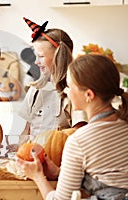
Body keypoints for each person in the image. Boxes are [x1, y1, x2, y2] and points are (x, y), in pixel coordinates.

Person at [16, 54, 128, 200]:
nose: (65, 91)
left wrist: (37, 176)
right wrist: (60, 172)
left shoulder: (79, 141)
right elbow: (112, 177)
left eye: (69, 87)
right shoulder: (127, 124)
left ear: (89, 95)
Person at [14, 18, 87, 146]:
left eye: (41, 56)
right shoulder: (35, 90)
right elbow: (26, 131)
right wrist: (18, 148)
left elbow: (79, 132)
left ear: (59, 56)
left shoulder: (74, 92)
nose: (36, 62)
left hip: (60, 159)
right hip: (35, 157)